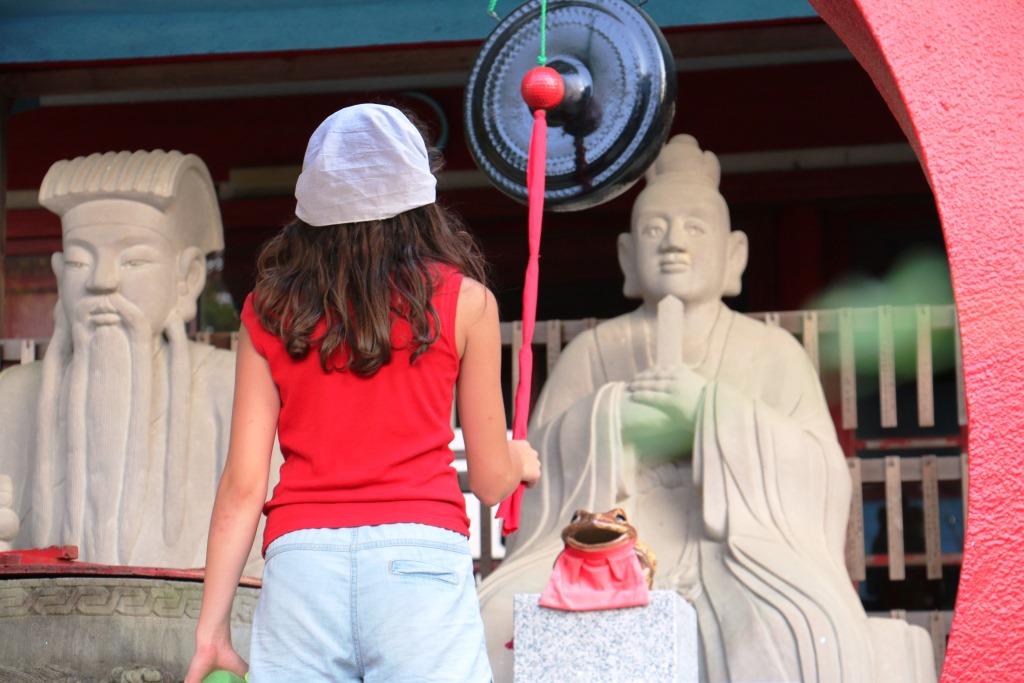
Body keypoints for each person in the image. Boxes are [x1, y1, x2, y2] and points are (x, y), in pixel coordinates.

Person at [478, 135, 934, 682]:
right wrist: (610, 420)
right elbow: (537, 472)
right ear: (627, 256)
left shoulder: (771, 353)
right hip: (605, 555)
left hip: (737, 554)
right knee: (497, 621)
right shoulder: (593, 354)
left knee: (803, 631)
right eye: (654, 230)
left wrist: (713, 415)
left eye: (695, 228)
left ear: (734, 254)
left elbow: (824, 476)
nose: (674, 243)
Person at [184, 104, 541, 682]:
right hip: (420, 562)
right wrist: (519, 459)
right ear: (421, 200)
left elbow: (244, 487)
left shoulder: (268, 311)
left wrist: (211, 632)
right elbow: (492, 480)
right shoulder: (467, 302)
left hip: (302, 567)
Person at [0, 150, 274, 573]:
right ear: (59, 277)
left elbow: (268, 554)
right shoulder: (13, 395)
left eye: (134, 260)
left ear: (187, 279)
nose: (102, 281)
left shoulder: (230, 389)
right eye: (79, 261)